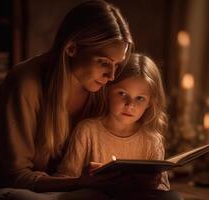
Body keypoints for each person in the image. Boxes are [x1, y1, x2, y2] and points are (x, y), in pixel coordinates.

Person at [0, 0, 133, 196]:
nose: (111, 75)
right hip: (15, 189)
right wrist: (78, 183)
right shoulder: (25, 84)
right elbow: (14, 176)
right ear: (71, 48)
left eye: (117, 65)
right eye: (103, 62)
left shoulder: (102, 88)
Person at [56, 53, 182, 199]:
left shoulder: (152, 140)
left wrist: (153, 183)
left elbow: (163, 187)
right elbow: (64, 178)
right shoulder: (87, 131)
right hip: (97, 196)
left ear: (150, 102)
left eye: (140, 98)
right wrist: (85, 181)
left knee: (173, 197)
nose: (130, 104)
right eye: (122, 93)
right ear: (108, 91)